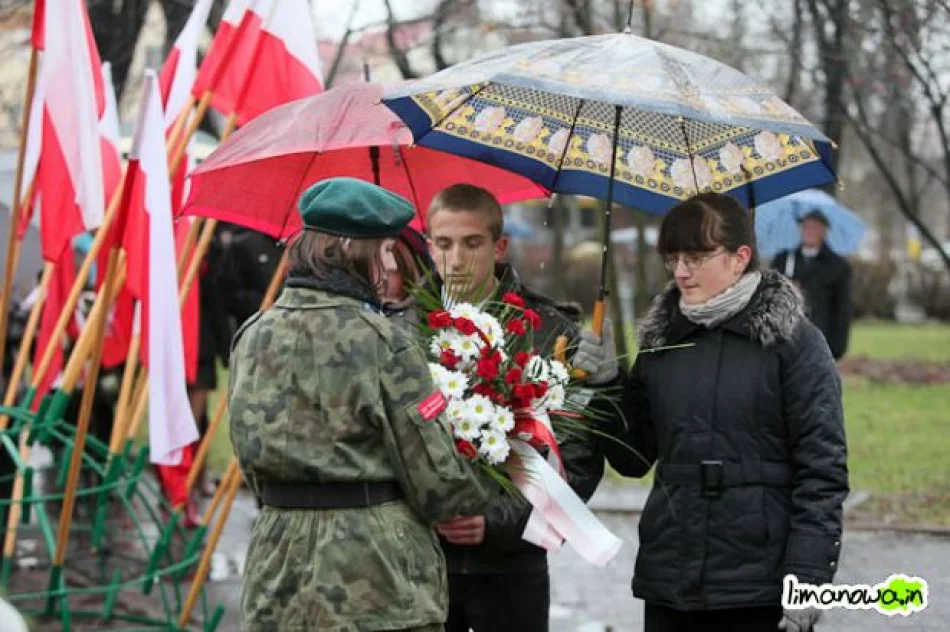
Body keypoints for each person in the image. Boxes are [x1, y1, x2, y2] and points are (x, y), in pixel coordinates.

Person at [229, 177, 493, 632]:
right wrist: (476, 493)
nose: (389, 263)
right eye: (386, 250)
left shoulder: (253, 333)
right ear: (355, 252)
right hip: (374, 577)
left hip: (278, 569)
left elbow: (248, 455)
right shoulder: (383, 341)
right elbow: (436, 477)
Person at [578, 193, 848, 632]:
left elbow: (822, 471)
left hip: (758, 584)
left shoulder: (795, 344)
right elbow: (633, 457)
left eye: (697, 257)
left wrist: (810, 577)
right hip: (672, 576)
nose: (681, 272)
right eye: (674, 258)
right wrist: (607, 384)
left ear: (740, 257)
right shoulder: (662, 340)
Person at [424, 184, 605, 632]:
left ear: (499, 246)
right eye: (444, 244)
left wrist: (496, 524)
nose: (457, 259)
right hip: (421, 566)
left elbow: (578, 459)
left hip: (511, 570)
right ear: (428, 246)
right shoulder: (403, 330)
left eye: (472, 243)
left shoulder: (551, 333)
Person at [771, 209, 852, 360]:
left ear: (824, 231)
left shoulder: (837, 266)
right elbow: (770, 298)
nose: (810, 231)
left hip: (821, 341)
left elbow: (842, 310)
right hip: (786, 339)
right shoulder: (783, 260)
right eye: (807, 227)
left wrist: (837, 349)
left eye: (815, 227)